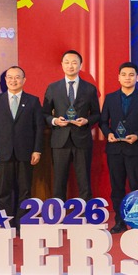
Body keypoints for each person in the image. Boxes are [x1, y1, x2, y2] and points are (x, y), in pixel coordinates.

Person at [0, 66, 44, 226]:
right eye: (10, 77)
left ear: (24, 80)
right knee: (4, 191)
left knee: (25, 190)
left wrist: (37, 150)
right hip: (2, 153)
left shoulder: (33, 101)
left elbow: (39, 128)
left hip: (26, 153)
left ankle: (22, 223)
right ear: (5, 80)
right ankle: (6, 224)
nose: (13, 80)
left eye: (17, 77)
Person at [99, 62, 138, 233]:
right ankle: (119, 221)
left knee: (136, 185)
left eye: (131, 75)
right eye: (124, 74)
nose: (127, 78)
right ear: (118, 77)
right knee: (117, 187)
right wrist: (108, 133)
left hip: (135, 149)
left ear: (137, 78)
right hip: (115, 149)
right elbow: (103, 121)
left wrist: (137, 135)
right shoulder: (110, 98)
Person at [42, 50, 100, 202]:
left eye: (74, 62)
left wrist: (86, 121)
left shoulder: (90, 89)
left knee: (84, 179)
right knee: (59, 180)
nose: (70, 66)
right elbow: (44, 114)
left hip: (82, 138)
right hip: (60, 139)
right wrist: (55, 121)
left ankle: (86, 211)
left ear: (80, 65)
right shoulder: (53, 88)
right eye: (67, 62)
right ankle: (58, 210)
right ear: (62, 65)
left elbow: (96, 114)